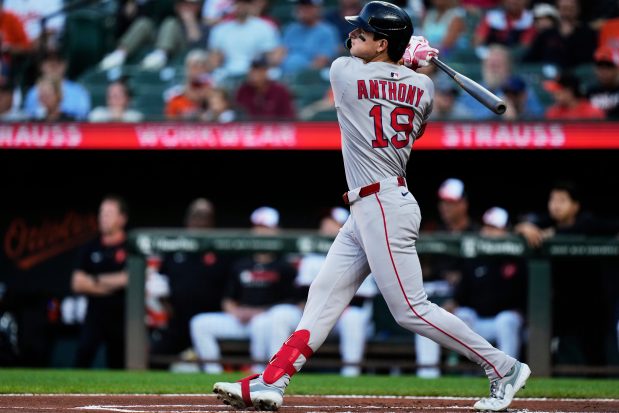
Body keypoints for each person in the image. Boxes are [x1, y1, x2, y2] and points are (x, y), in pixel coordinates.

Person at [213, 2, 530, 412]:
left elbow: (364, 72)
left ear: (382, 43)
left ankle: (502, 367)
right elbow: (404, 87)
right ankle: (272, 381)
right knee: (323, 297)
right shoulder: (426, 88)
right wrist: (409, 63)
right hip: (373, 205)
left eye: (363, 33)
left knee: (411, 309)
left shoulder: (343, 74)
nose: (352, 37)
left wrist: (403, 58)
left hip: (382, 204)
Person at [190, 206, 299, 374]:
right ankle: (212, 374)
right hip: (242, 320)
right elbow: (227, 299)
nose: (260, 232)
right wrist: (236, 311)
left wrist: (259, 312)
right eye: (257, 227)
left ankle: (263, 374)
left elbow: (293, 303)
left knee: (264, 321)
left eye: (266, 228)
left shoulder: (285, 265)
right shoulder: (240, 264)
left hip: (268, 320)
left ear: (277, 231)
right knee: (199, 323)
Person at [433, 207, 528, 368]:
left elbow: (526, 295)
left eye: (494, 228)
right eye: (486, 227)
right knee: (462, 315)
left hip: (504, 322)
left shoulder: (516, 258)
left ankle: (507, 372)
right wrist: (450, 306)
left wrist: (523, 313)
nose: (488, 232)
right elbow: (460, 296)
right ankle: (458, 369)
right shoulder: (475, 258)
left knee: (507, 320)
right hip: (480, 321)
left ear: (505, 231)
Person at [292, 207, 378, 377]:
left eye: (332, 222)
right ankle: (276, 371)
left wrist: (335, 310)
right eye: (326, 222)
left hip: (346, 314)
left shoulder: (362, 253)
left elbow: (363, 297)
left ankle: (351, 373)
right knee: (280, 315)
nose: (326, 225)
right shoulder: (311, 257)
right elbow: (301, 293)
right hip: (313, 313)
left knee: (352, 319)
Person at [148, 198, 230, 367]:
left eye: (204, 216)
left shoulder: (223, 250)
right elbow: (159, 283)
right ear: (187, 220)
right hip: (179, 323)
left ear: (212, 221)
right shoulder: (174, 249)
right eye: (195, 215)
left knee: (216, 366)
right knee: (154, 356)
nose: (199, 221)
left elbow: (231, 289)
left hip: (212, 323)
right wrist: (166, 306)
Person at [71, 195, 129, 369]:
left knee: (119, 367)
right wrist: (114, 284)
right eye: (101, 213)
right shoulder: (91, 247)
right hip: (95, 314)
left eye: (109, 213)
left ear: (122, 218)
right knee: (82, 359)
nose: (103, 217)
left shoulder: (130, 246)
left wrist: (94, 280)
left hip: (123, 315)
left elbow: (129, 279)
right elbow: (77, 283)